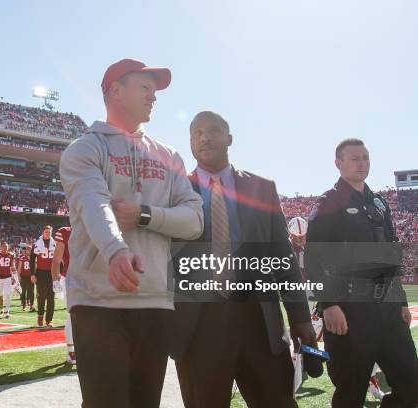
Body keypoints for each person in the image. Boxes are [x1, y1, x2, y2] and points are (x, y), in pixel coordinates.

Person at [60, 58, 204, 408]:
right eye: (145, 88)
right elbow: (94, 203)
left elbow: (195, 220)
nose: (153, 97)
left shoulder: (169, 156)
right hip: (99, 302)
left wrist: (144, 215)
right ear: (115, 91)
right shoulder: (85, 148)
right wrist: (115, 250)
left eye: (155, 91)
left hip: (155, 300)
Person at [170, 111, 316, 407]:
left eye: (212, 130)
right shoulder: (173, 190)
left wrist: (300, 317)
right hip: (198, 328)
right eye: (196, 132)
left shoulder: (261, 188)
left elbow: (282, 257)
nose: (204, 137)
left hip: (259, 322)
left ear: (230, 138)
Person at [305, 138, 418, 407]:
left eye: (365, 158)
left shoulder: (379, 203)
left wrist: (400, 300)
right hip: (350, 309)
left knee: (411, 382)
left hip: (388, 310)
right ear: (338, 163)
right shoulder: (328, 203)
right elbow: (313, 259)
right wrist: (329, 304)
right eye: (354, 158)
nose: (362, 163)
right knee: (350, 390)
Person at [51, 225, 75, 365]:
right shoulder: (65, 232)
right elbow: (56, 260)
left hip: (90, 278)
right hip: (71, 277)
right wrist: (55, 279)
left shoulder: (94, 226)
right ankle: (72, 352)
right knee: (72, 315)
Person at [30, 225, 56, 327]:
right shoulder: (37, 244)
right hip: (40, 273)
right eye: (46, 232)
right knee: (41, 296)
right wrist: (32, 274)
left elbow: (59, 259)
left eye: (49, 232)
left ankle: (49, 320)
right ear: (42, 232)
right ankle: (40, 316)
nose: (48, 234)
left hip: (52, 273)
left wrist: (59, 273)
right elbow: (32, 259)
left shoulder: (55, 244)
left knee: (51, 297)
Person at [0, 241, 17, 319]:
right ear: (0, 247)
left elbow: (12, 266)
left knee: (7, 294)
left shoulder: (11, 255)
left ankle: (7, 311)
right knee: (0, 295)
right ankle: (2, 310)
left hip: (7, 277)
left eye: (6, 246)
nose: (5, 248)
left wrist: (15, 277)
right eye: (3, 246)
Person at [17, 245, 35, 312]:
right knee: (23, 292)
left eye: (30, 250)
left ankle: (31, 305)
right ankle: (24, 305)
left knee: (31, 292)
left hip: (31, 276)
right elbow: (19, 267)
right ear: (26, 250)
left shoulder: (33, 258)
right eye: (28, 249)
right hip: (24, 277)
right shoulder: (22, 258)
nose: (29, 251)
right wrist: (18, 276)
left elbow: (36, 267)